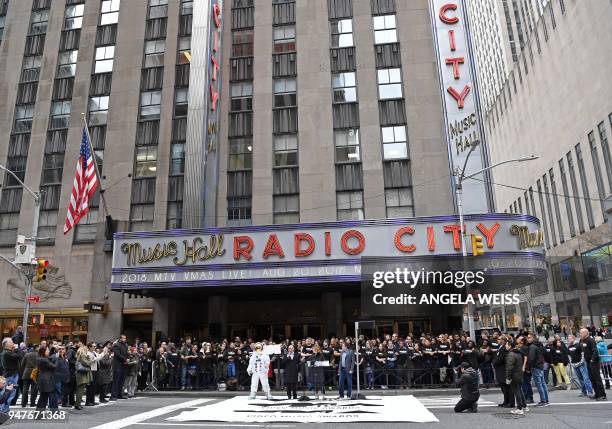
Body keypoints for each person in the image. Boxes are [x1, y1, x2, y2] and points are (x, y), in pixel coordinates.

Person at [579, 328, 606, 401]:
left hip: (594, 362)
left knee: (597, 379)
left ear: (586, 333)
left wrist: (592, 360)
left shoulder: (591, 340)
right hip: (587, 362)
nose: (580, 334)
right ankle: (597, 394)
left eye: (581, 333)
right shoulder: (581, 341)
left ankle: (603, 395)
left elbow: (595, 351)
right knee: (592, 379)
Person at [527, 333, 549, 407]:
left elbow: (531, 358)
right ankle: (546, 400)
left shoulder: (532, 346)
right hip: (540, 366)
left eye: (529, 337)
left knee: (539, 385)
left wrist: (529, 367)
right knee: (543, 384)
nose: (528, 339)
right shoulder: (539, 344)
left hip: (536, 367)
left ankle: (543, 401)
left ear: (533, 338)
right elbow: (545, 353)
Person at [505, 341, 527, 415]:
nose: (506, 346)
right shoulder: (518, 353)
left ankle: (519, 408)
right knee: (519, 390)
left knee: (516, 391)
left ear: (510, 346)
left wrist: (508, 378)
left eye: (507, 345)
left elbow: (509, 367)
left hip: (514, 376)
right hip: (519, 374)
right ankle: (524, 406)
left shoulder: (511, 354)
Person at [492, 337, 514, 408]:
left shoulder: (504, 348)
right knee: (503, 387)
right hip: (499, 369)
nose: (498, 340)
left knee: (507, 387)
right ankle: (506, 401)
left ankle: (510, 402)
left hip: (503, 369)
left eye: (499, 339)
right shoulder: (500, 347)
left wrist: (494, 363)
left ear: (503, 341)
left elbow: (500, 359)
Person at [0, 338, 22, 407]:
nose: (13, 343)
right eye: (11, 342)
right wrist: (16, 348)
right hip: (11, 375)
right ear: (7, 344)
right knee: (9, 394)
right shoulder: (7, 353)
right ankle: (4, 410)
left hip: (10, 375)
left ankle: (4, 410)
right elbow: (20, 356)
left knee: (9, 393)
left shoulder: (6, 352)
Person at [35, 345, 56, 411]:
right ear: (43, 351)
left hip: (43, 379)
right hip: (46, 380)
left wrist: (52, 350)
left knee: (43, 397)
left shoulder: (41, 358)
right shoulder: (44, 360)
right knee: (43, 397)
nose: (48, 351)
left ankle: (39, 413)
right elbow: (54, 366)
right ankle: (39, 414)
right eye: (47, 350)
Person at [74, 344, 93, 410]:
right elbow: (87, 363)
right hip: (82, 375)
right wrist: (90, 359)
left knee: (80, 390)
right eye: (86, 349)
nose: (87, 350)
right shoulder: (82, 355)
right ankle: (77, 405)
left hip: (82, 374)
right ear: (83, 350)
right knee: (80, 390)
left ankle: (78, 404)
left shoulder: (80, 355)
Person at [111, 335, 129, 400]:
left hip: (124, 365)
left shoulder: (126, 345)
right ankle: (113, 395)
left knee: (122, 381)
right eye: (123, 338)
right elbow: (117, 354)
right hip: (117, 365)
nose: (124, 339)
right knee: (116, 381)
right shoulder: (116, 345)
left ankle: (119, 394)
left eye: (125, 338)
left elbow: (127, 353)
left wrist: (128, 359)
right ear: (120, 338)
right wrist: (125, 359)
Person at [52, 345, 69, 409]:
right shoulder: (54, 357)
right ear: (57, 350)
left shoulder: (65, 357)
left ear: (65, 350)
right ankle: (54, 408)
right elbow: (53, 367)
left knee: (62, 393)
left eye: (62, 349)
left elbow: (66, 367)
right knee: (57, 393)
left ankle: (57, 406)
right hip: (57, 378)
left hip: (64, 378)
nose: (61, 350)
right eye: (59, 349)